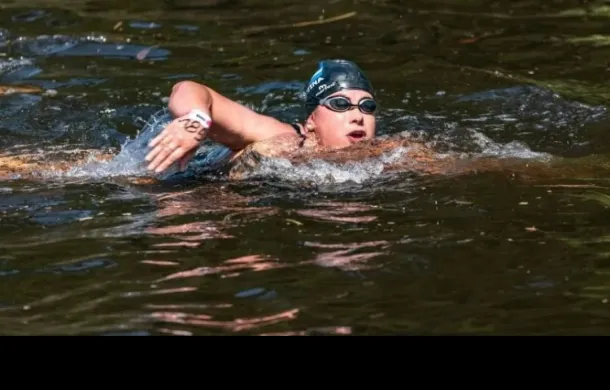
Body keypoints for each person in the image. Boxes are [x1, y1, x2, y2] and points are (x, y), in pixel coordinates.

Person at [144, 59, 379, 175]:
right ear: (311, 121)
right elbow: (188, 89)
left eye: (367, 106)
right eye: (340, 104)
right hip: (174, 175)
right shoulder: (278, 137)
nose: (358, 116)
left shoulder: (384, 154)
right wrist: (195, 120)